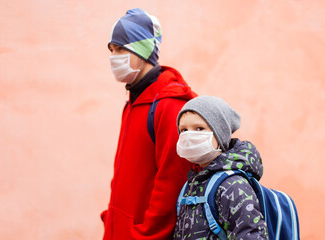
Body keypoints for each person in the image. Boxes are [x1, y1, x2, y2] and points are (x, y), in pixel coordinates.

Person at [101, 8, 197, 240]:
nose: (114, 57)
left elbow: (172, 184)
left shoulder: (168, 104)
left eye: (121, 49)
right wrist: (111, 220)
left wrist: (144, 234)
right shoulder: (133, 101)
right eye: (112, 50)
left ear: (142, 50)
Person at [173, 96, 268, 239]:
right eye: (184, 130)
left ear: (220, 134)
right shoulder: (191, 184)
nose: (189, 136)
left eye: (199, 128)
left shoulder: (233, 185)